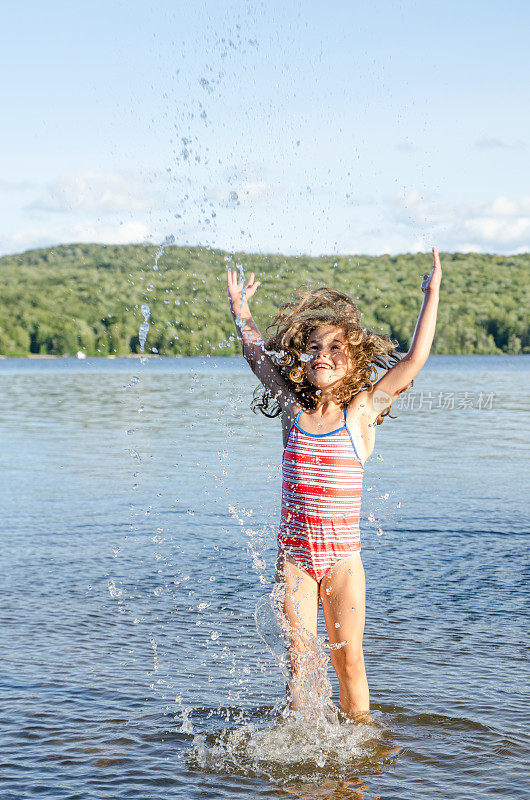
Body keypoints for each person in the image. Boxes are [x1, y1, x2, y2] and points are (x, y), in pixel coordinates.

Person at [226, 248, 442, 721]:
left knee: (348, 663)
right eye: (315, 348)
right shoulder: (292, 411)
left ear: (352, 362)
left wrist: (432, 294)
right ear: (303, 360)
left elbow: (414, 361)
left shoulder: (362, 413)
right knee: (300, 663)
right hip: (296, 559)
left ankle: (359, 756)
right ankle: (301, 755)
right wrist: (241, 311)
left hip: (343, 561)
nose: (323, 355)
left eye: (335, 349)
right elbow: (255, 357)